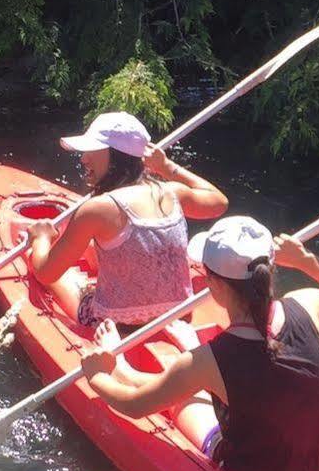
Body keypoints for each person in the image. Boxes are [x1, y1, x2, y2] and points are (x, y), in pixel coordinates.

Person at [77, 216, 319, 471]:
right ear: (271, 269)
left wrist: (98, 376)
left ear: (215, 285)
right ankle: (133, 372)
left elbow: (134, 406)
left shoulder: (205, 361)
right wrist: (306, 261)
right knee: (196, 376)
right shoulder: (308, 303)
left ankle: (125, 370)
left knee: (186, 399)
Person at [26, 111, 228, 333]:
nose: (84, 158)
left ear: (116, 155)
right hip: (179, 314)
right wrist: (167, 167)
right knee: (104, 247)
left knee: (54, 272)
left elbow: (46, 273)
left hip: (115, 326)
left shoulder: (96, 210)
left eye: (93, 150)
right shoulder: (173, 193)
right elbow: (219, 202)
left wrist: (41, 238)